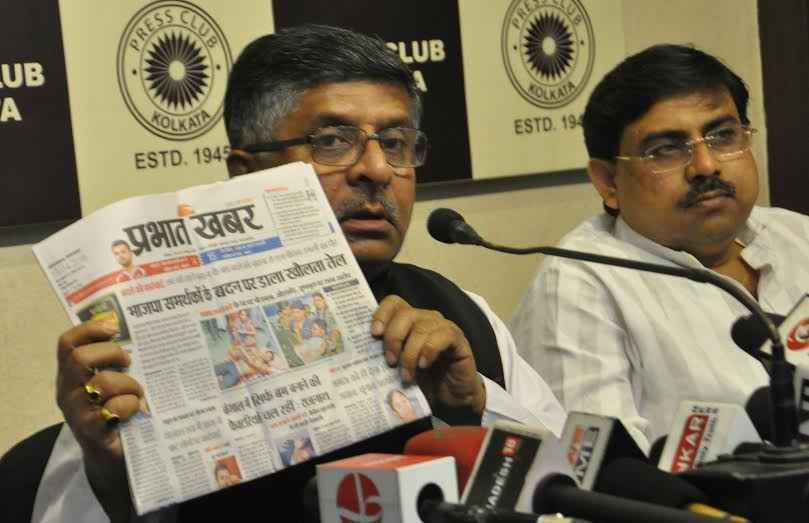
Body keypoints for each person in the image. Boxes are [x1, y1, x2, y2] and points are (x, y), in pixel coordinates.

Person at [34, 24, 565, 522]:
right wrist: (108, 468)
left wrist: (474, 405)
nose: (377, 170)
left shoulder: (459, 313)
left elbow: (573, 490)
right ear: (245, 173)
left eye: (395, 143)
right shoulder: (148, 346)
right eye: (332, 141)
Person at [511, 44, 809, 452]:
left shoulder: (797, 236)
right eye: (666, 149)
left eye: (723, 136)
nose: (706, 166)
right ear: (608, 182)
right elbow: (600, 469)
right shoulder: (580, 285)